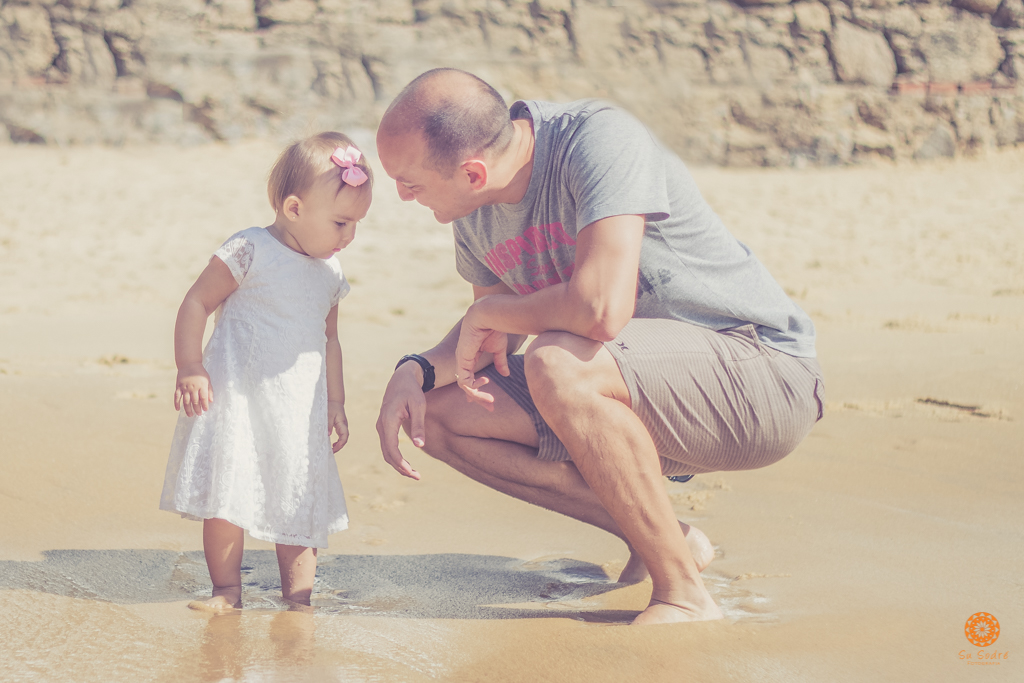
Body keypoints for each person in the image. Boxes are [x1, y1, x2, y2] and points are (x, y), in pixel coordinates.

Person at [374, 68, 825, 625]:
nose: (399, 195)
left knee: (558, 362)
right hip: (634, 390)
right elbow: (493, 331)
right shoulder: (474, 211)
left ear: (472, 172)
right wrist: (415, 372)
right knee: (439, 416)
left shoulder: (598, 139)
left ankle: (684, 594)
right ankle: (668, 537)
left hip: (760, 374)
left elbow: (600, 310)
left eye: (409, 182)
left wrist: (491, 311)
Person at [159, 132, 373, 611]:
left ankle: (299, 599)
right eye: (341, 222)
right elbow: (197, 300)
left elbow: (330, 339)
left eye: (357, 223)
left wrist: (336, 402)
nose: (349, 236)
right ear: (294, 209)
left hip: (298, 408)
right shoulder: (250, 248)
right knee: (226, 495)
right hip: (235, 398)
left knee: (299, 496)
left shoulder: (330, 273)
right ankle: (226, 591)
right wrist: (190, 365)